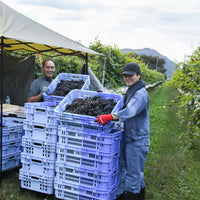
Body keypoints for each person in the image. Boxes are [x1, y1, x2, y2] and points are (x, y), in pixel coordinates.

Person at [95, 63, 150, 200]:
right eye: (125, 75)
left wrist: (109, 117)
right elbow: (123, 102)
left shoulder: (141, 94)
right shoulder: (132, 89)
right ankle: (140, 195)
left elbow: (130, 110)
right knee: (134, 171)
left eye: (131, 75)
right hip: (131, 136)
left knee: (133, 173)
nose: (127, 78)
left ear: (139, 75)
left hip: (137, 139)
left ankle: (132, 195)